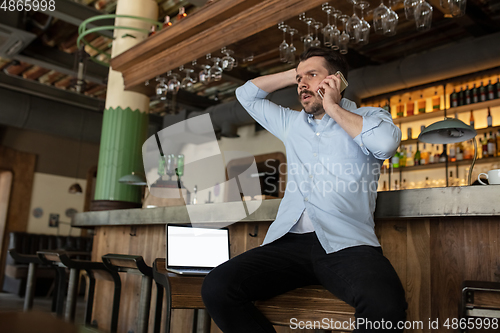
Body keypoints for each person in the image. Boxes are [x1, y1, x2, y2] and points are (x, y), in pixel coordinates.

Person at [201, 47, 407, 332]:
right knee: (217, 287)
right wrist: (297, 73)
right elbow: (245, 95)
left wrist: (333, 106)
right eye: (299, 79)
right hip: (288, 243)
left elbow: (385, 145)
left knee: (387, 306)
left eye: (312, 75)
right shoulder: (291, 122)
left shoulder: (370, 117)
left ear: (337, 80)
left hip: (346, 244)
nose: (302, 84)